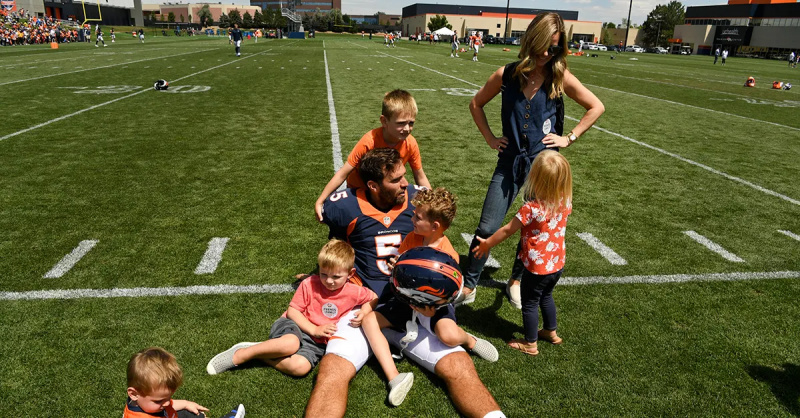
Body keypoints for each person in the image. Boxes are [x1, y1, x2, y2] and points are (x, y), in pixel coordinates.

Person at [306, 148, 505, 418]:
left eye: (404, 176)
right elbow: (336, 249)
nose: (405, 184)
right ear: (374, 186)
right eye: (396, 179)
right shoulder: (346, 205)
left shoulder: (419, 202)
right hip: (368, 303)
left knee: (459, 365)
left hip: (422, 303)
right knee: (333, 370)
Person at [462, 12, 603, 308]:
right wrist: (490, 138)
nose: (545, 53)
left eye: (553, 48)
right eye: (542, 45)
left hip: (543, 170)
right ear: (530, 40)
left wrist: (569, 138)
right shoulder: (506, 74)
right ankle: (470, 284)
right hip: (509, 162)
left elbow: (596, 106)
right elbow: (476, 104)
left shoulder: (559, 76)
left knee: (533, 228)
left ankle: (515, 280)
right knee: (488, 226)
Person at [361, 189, 499, 406]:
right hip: (406, 298)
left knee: (448, 336)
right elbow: (403, 268)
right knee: (368, 320)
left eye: (418, 217)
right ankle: (394, 377)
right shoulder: (412, 238)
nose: (412, 219)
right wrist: (397, 267)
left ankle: (469, 340)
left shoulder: (448, 256)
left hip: (435, 303)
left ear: (435, 226)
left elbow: (447, 295)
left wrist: (430, 310)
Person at [207, 240, 378, 378]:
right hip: (292, 325)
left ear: (350, 274)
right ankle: (242, 353)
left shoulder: (354, 292)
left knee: (300, 368)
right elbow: (292, 311)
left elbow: (373, 297)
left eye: (336, 277)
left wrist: (364, 312)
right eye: (324, 274)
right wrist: (314, 328)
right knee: (291, 343)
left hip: (318, 342)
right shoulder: (309, 283)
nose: (329, 281)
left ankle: (260, 352)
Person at [473, 150, 572, 356]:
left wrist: (487, 244)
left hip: (537, 268)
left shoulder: (531, 208)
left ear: (535, 178)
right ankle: (551, 331)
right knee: (547, 296)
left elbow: (507, 230)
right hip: (556, 264)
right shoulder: (565, 201)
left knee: (529, 302)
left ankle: (530, 343)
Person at [313, 89, 431, 222]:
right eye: (401, 123)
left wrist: (432, 203)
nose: (407, 128)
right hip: (361, 191)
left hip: (385, 193)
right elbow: (343, 172)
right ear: (384, 121)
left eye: (411, 123)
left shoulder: (411, 143)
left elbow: (419, 175)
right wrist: (321, 200)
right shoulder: (369, 141)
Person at [125, 347, 245, 418]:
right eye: (159, 400)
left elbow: (169, 405)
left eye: (169, 397)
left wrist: (186, 403)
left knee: (190, 412)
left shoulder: (144, 403)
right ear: (134, 394)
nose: (167, 403)